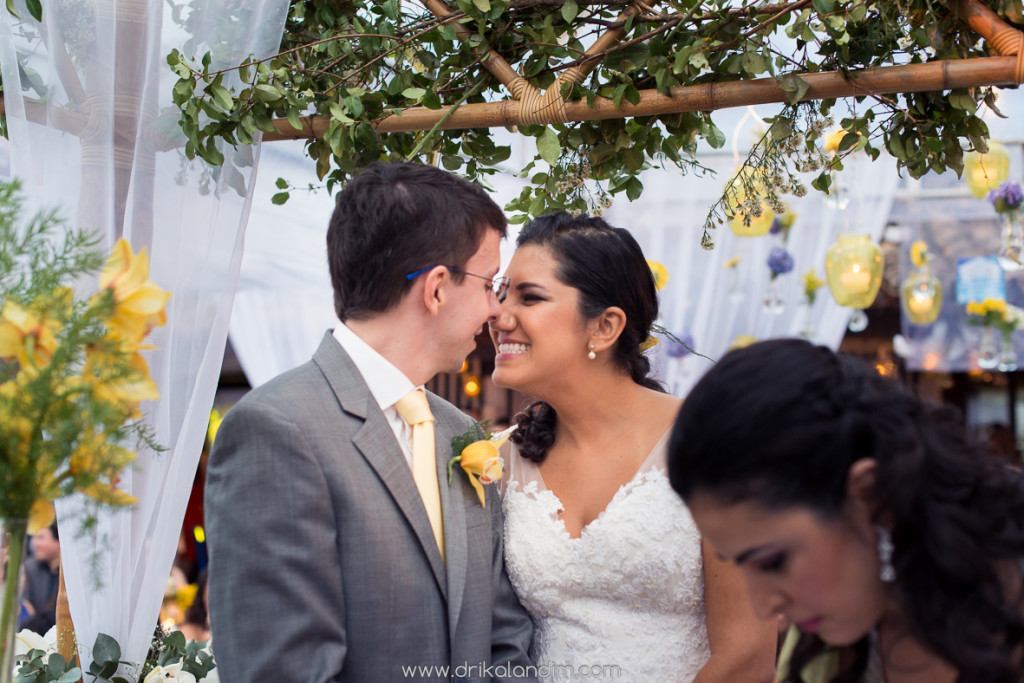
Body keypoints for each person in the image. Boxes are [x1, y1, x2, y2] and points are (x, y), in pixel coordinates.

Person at [205, 161, 535, 682]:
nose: (496, 310)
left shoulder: (461, 435)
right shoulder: (275, 430)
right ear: (436, 288)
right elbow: (284, 670)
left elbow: (504, 635)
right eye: (489, 284)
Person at [489, 211, 777, 682]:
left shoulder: (714, 441)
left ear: (604, 326)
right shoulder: (499, 460)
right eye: (501, 294)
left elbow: (747, 655)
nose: (498, 315)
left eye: (530, 297)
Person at [668, 338, 1024, 683]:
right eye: (740, 566)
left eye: (773, 561)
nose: (764, 607)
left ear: (868, 494)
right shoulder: (822, 646)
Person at [18, 522, 60, 635]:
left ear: (58, 540)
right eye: (34, 538)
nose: (35, 544)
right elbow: (25, 604)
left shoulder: (69, 572)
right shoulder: (29, 568)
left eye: (41, 537)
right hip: (34, 632)